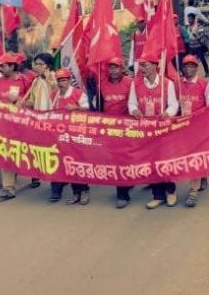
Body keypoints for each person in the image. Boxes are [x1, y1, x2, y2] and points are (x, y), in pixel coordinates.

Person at [128, 56, 179, 209]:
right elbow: (131, 103)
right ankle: (158, 195)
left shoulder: (167, 84)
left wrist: (168, 113)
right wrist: (134, 110)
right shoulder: (135, 84)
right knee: (151, 161)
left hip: (162, 129)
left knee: (164, 160)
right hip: (145, 130)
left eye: (145, 65)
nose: (142, 68)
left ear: (155, 66)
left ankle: (170, 191)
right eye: (141, 65)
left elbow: (173, 104)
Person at [0, 52, 33, 201]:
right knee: (6, 154)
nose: (0, 69)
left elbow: (34, 101)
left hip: (23, 124)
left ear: (12, 66)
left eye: (3, 66)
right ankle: (8, 187)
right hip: (6, 125)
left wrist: (22, 101)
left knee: (28, 152)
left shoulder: (24, 80)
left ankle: (35, 175)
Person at [49, 68, 91, 204]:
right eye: (59, 81)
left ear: (68, 81)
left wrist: (76, 108)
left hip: (77, 133)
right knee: (69, 163)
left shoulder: (78, 94)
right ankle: (75, 193)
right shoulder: (54, 95)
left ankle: (84, 190)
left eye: (64, 80)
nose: (61, 83)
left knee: (79, 163)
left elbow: (88, 109)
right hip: (61, 135)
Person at [98, 57, 135, 208]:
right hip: (110, 129)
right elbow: (99, 107)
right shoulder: (102, 84)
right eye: (111, 68)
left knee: (126, 159)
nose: (113, 71)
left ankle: (125, 188)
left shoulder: (130, 83)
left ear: (122, 69)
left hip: (127, 128)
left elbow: (134, 103)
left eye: (116, 68)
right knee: (117, 160)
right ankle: (123, 189)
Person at [178, 55, 209, 207]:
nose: (188, 68)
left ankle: (193, 191)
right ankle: (202, 176)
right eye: (186, 66)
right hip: (183, 127)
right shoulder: (178, 84)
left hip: (199, 127)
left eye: (191, 66)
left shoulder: (204, 84)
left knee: (195, 157)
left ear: (196, 68)